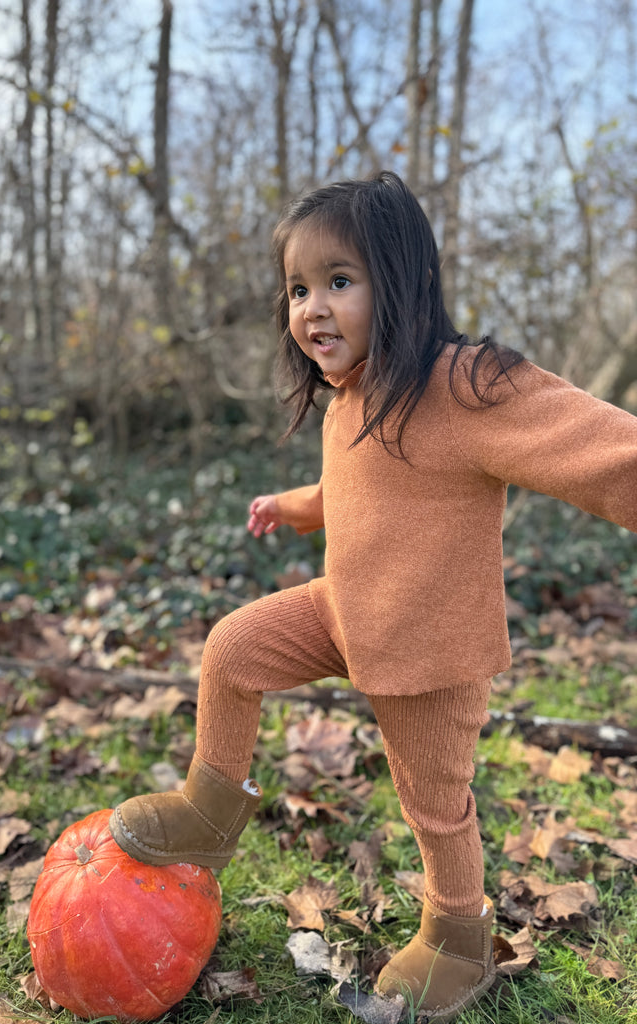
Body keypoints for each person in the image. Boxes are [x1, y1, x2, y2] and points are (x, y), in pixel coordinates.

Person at [110, 171, 637, 1022]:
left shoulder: (465, 384)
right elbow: (354, 491)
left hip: (430, 649)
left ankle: (458, 938)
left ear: (405, 280)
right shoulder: (349, 399)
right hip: (346, 610)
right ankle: (210, 813)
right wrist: (292, 507)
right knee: (232, 650)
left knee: (434, 804)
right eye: (298, 288)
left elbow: (605, 450)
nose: (313, 307)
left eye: (339, 282)